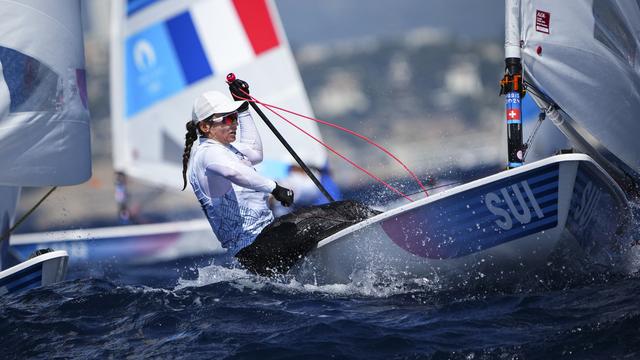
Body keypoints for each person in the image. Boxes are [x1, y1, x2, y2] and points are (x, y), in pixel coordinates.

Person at [181, 90, 294, 256]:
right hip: (249, 249)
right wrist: (275, 188)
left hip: (266, 237)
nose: (235, 124)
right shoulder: (207, 154)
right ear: (205, 127)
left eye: (234, 118)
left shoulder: (226, 149)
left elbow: (255, 152)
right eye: (228, 119)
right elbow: (234, 172)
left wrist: (244, 109)